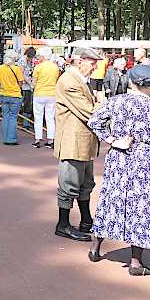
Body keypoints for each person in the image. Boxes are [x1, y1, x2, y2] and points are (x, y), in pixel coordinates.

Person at [86, 65, 150, 276]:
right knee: (142, 206)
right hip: (146, 160)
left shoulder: (116, 101)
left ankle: (95, 249)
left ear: (132, 82)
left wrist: (113, 140)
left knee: (110, 200)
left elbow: (94, 121)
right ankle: (136, 262)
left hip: (119, 158)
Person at [54, 47, 101, 242]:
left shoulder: (80, 80)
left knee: (86, 183)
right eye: (92, 63)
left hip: (83, 141)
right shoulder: (69, 81)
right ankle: (63, 224)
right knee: (69, 184)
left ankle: (86, 220)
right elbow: (89, 111)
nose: (95, 67)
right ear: (80, 61)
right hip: (73, 141)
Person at [32, 47, 59, 148]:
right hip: (52, 94)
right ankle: (50, 140)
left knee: (38, 117)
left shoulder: (38, 67)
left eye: (39, 56)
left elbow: (34, 82)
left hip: (39, 94)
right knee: (50, 117)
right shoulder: (55, 67)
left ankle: (37, 139)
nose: (38, 58)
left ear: (43, 56)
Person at [0, 50, 24, 145]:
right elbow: (20, 82)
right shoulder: (17, 69)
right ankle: (11, 139)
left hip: (4, 94)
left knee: (5, 117)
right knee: (13, 117)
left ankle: (5, 138)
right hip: (15, 95)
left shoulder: (0, 68)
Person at [18, 47, 37, 129]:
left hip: (28, 85)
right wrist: (30, 82)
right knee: (26, 103)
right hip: (24, 85)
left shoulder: (29, 60)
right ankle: (25, 122)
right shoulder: (23, 60)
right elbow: (21, 74)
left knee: (28, 103)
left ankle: (26, 121)